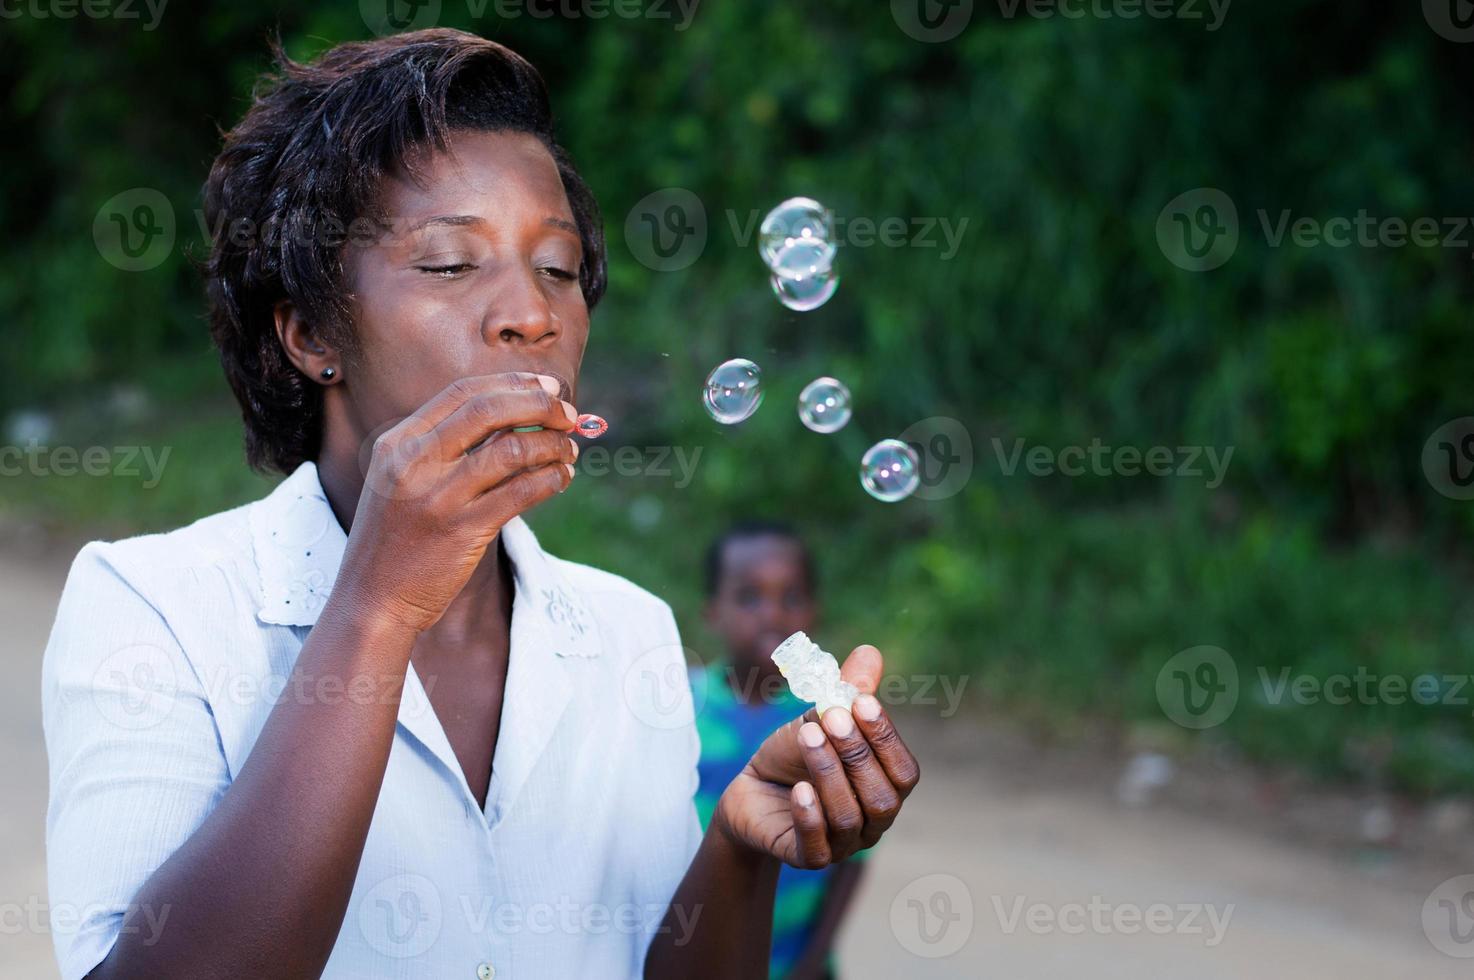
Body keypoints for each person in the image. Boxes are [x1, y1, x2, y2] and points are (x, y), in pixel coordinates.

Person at [40, 28, 918, 980]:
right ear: (307, 333)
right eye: (452, 264)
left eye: (557, 269)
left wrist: (740, 850)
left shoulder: (631, 634)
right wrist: (379, 608)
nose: (532, 315)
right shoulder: (155, 608)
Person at [694, 521, 867, 980]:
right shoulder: (680, 713)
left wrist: (815, 957)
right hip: (704, 956)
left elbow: (854, 857)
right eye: (749, 597)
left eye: (790, 597)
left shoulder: (828, 716)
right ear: (713, 611)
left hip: (798, 961)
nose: (771, 614)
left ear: (814, 610)